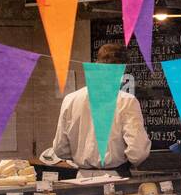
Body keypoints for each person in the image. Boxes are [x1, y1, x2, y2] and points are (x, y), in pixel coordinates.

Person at [40, 43, 151, 173]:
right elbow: (138, 152)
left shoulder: (70, 99)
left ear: (97, 65)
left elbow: (60, 149)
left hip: (80, 177)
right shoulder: (126, 101)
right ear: (122, 70)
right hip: (115, 176)